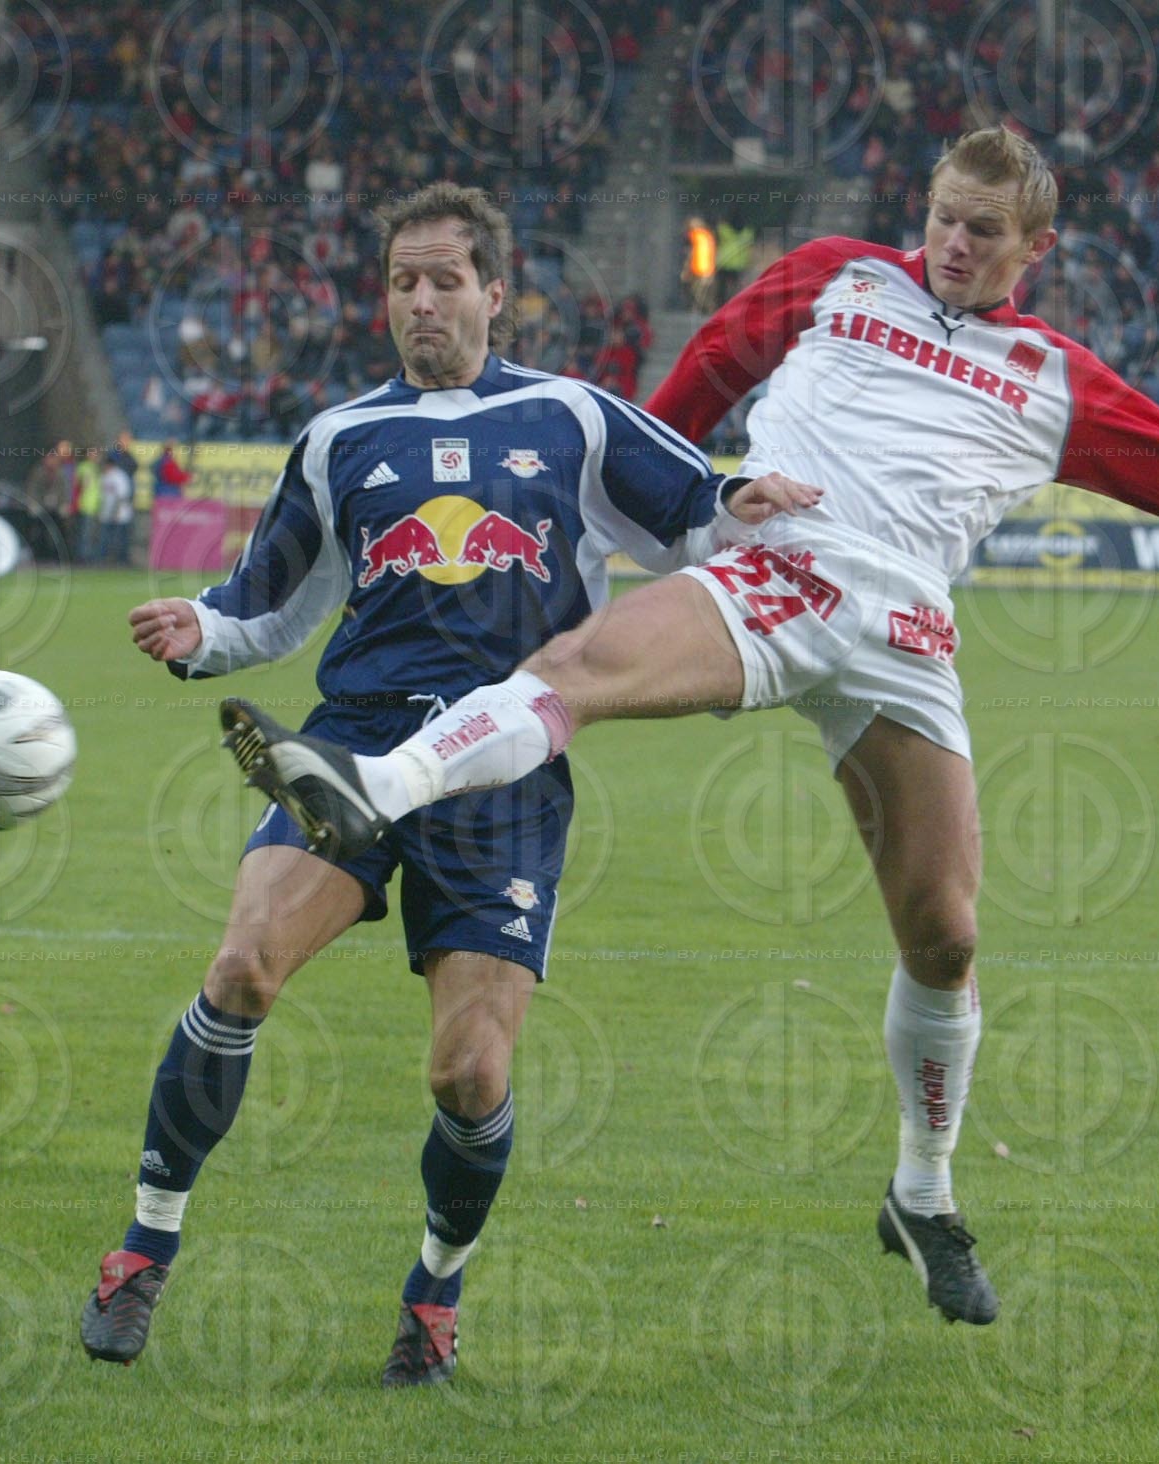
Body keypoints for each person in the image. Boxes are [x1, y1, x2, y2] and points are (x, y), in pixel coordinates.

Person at [217, 130, 1159, 1329]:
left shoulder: (1054, 378)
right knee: (579, 666)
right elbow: (699, 373)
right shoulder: (839, 274)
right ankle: (377, 785)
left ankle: (921, 1194)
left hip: (906, 632)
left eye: (984, 232)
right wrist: (624, 501)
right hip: (787, 561)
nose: (953, 244)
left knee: (947, 937)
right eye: (945, 216)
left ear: (1034, 248)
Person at [79, 182, 812, 1383]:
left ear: (493, 291)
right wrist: (197, 633)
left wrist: (743, 500)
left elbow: (693, 510)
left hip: (504, 769)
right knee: (241, 968)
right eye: (400, 283)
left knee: (468, 1073)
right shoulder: (337, 438)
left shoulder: (571, 416)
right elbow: (268, 603)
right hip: (353, 749)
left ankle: (433, 1293)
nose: (420, 302)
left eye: (442, 279)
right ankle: (142, 1250)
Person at [99, 456, 134, 566]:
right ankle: (105, 559)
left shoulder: (119, 476)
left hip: (120, 513)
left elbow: (122, 496)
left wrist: (115, 512)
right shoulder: (105, 476)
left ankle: (122, 560)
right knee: (106, 537)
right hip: (107, 512)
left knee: (120, 538)